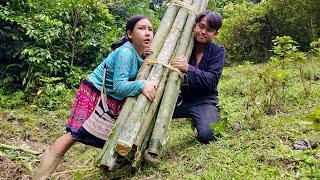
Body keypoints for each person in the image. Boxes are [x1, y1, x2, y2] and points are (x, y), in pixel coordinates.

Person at [35, 15, 157, 180]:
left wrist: (143, 56)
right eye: (141, 29)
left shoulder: (135, 52)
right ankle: (39, 177)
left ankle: (119, 167)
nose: (147, 33)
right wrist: (142, 85)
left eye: (150, 29)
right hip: (94, 92)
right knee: (73, 135)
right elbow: (119, 86)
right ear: (130, 34)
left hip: (108, 97)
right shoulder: (126, 52)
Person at [171, 10, 225, 144]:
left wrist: (188, 69)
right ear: (194, 26)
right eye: (201, 27)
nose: (203, 32)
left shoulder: (218, 51)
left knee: (208, 135)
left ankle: (204, 117)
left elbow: (212, 80)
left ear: (215, 33)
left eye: (209, 30)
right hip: (181, 100)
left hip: (205, 100)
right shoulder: (182, 46)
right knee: (152, 113)